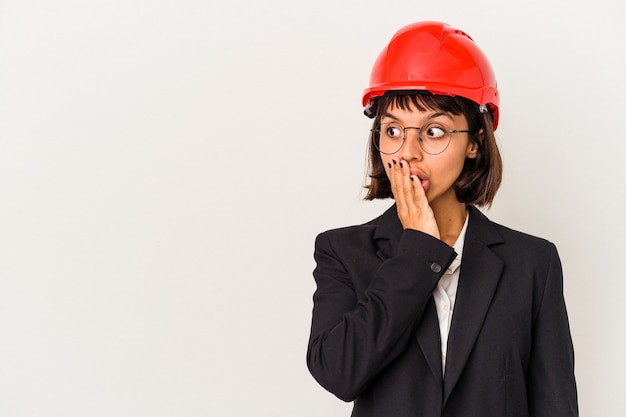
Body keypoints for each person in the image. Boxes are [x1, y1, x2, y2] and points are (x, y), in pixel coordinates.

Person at [306, 21, 578, 417]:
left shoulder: (532, 263)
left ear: (475, 142)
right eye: (393, 129)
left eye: (434, 131)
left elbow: (556, 405)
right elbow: (339, 374)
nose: (409, 151)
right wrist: (418, 252)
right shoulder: (342, 251)